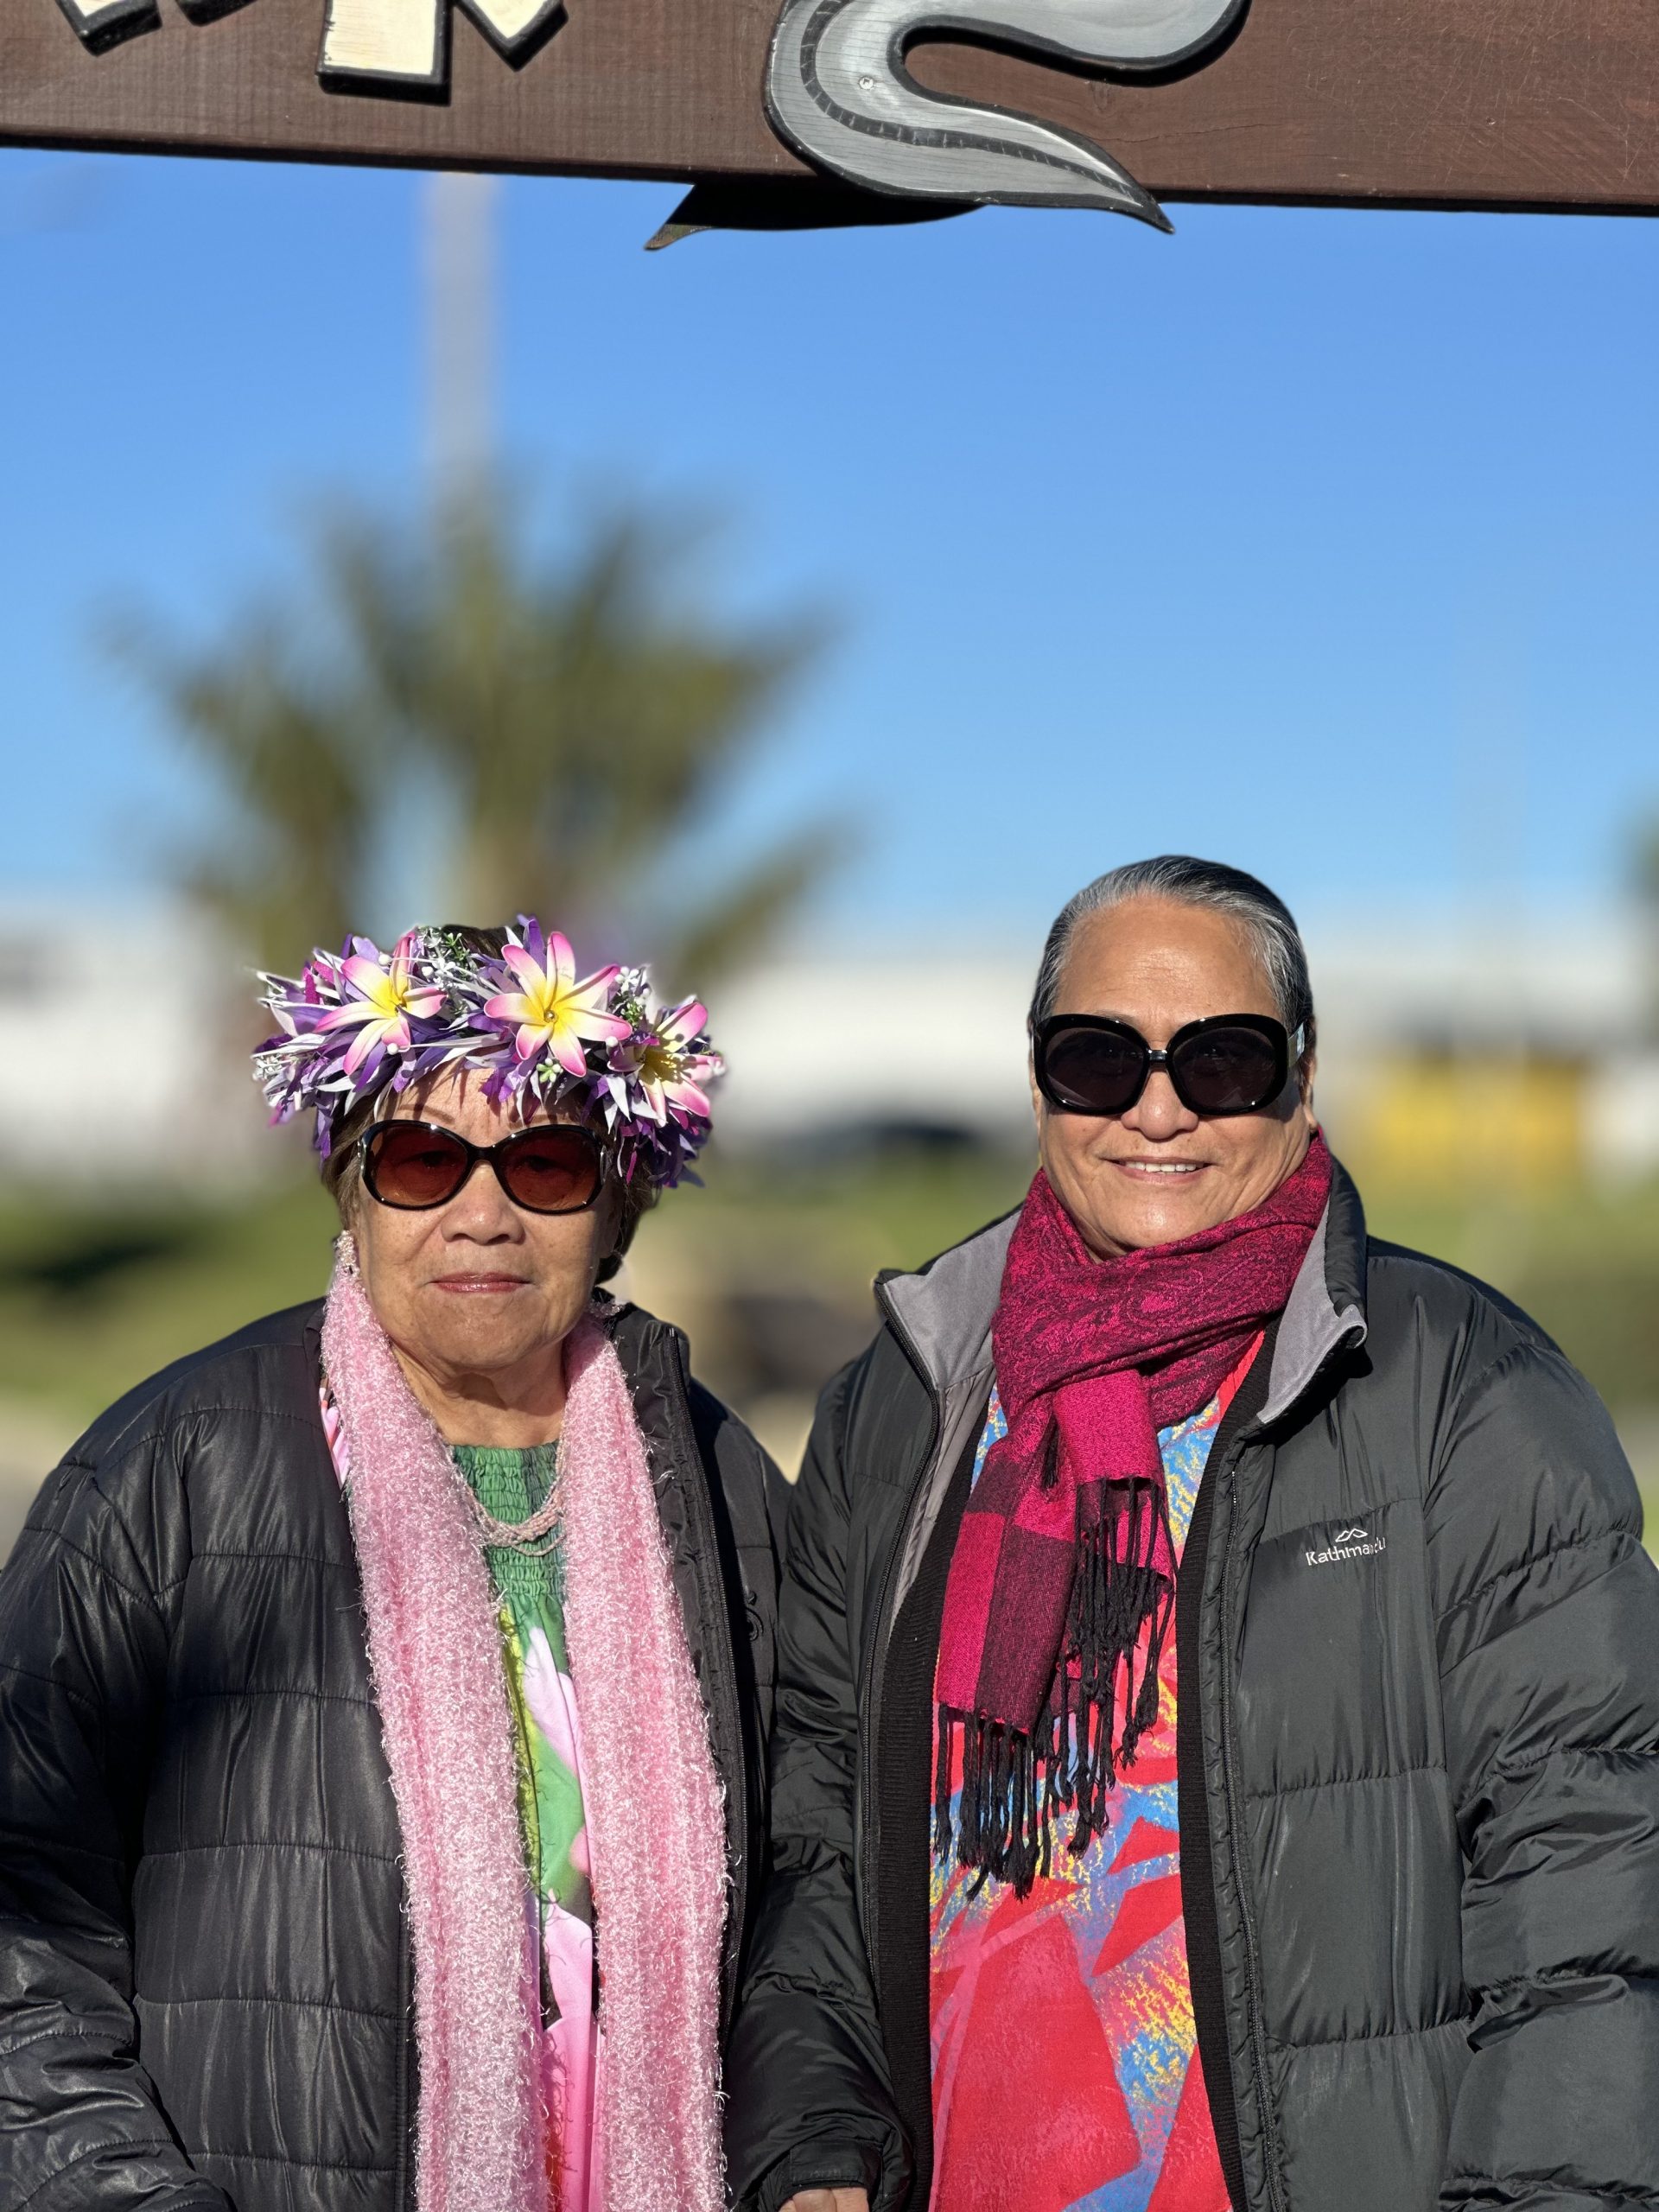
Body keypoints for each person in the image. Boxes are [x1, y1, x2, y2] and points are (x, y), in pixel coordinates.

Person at [724, 855, 1659, 2212]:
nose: (1157, 1108)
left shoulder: (1461, 1389)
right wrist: (815, 2141)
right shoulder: (904, 1398)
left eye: (1222, 1060)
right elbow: (815, 1830)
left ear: (1303, 1078)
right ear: (1039, 1081)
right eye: (1099, 1057)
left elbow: (1593, 1878)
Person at [0, 919, 783, 2212]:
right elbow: (26, 1926)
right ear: (353, 1196)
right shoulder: (170, 1471)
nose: (482, 1215)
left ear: (613, 1205)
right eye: (423, 1161)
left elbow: (813, 1891)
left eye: (542, 1164)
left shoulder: (715, 1478)